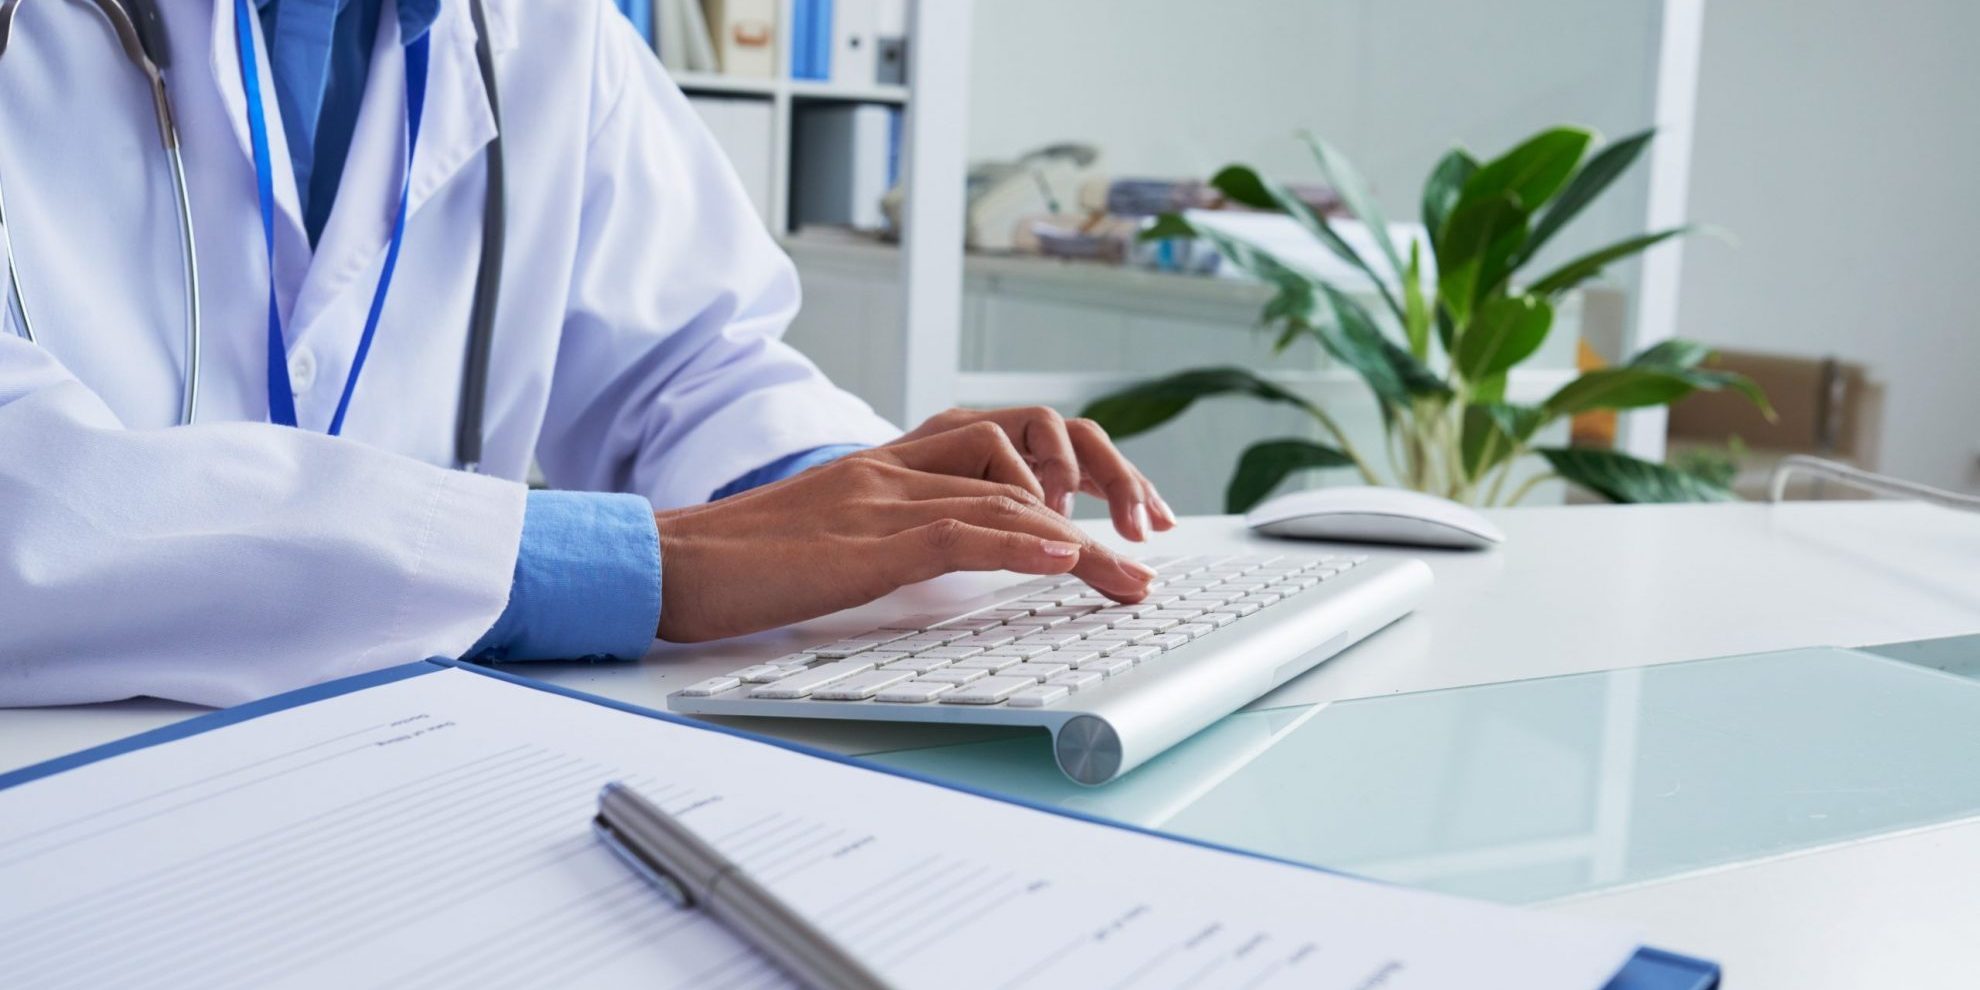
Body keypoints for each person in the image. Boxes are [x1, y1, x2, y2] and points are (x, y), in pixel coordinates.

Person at [0, 0, 1173, 707]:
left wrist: (856, 496)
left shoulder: (543, 32)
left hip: (411, 766)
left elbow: (691, 364)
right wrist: (646, 562)